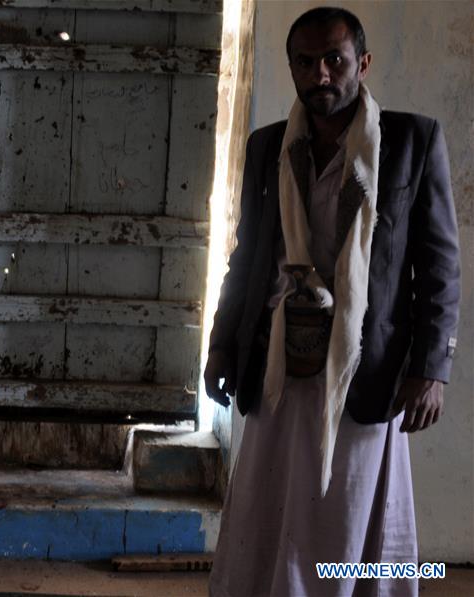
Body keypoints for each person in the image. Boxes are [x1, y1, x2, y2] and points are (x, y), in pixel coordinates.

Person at [204, 6, 460, 597]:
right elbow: (247, 258)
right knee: (270, 510)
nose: (320, 74)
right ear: (292, 67)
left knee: (348, 513)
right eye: (305, 62)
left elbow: (440, 265)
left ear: (362, 64)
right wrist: (220, 346)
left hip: (365, 370)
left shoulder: (411, 142)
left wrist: (432, 369)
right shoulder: (268, 146)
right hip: (278, 363)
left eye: (334, 60)